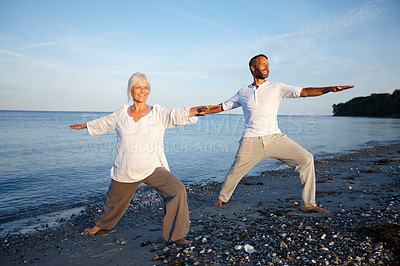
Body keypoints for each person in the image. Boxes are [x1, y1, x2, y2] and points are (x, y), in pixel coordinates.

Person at [70, 72, 208, 245]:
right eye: (138, 87)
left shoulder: (158, 113)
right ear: (131, 90)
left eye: (146, 88)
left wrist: (196, 110)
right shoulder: (121, 114)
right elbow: (104, 123)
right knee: (113, 202)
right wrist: (84, 125)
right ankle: (102, 225)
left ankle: (175, 235)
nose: (143, 91)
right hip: (126, 169)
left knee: (177, 190)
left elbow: (176, 114)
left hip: (152, 167)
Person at [205, 54, 354, 213]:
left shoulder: (277, 87)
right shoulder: (243, 92)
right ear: (253, 68)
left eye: (268, 65)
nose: (267, 67)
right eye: (263, 64)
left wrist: (329, 89)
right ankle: (221, 199)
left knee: (307, 159)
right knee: (235, 171)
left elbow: (303, 92)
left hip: (275, 139)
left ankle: (308, 204)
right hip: (251, 141)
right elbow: (222, 107)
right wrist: (201, 111)